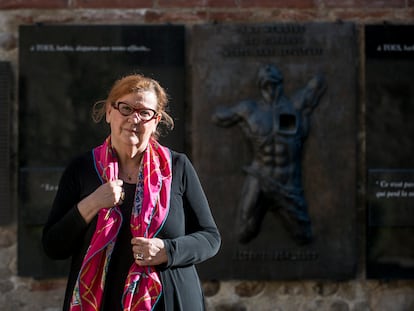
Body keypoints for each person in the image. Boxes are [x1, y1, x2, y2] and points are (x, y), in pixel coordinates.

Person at [42, 74, 221, 311]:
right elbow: (53, 246)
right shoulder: (82, 169)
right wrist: (92, 203)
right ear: (109, 112)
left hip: (170, 301)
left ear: (156, 121)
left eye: (144, 112)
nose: (133, 118)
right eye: (125, 108)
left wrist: (167, 250)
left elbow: (210, 238)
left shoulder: (178, 167)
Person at [212, 64, 325, 245]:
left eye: (274, 84)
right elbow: (218, 116)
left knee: (304, 237)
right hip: (260, 176)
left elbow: (318, 85)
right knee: (243, 233)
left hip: (287, 181)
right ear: (261, 86)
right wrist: (237, 116)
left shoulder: (296, 106)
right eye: (267, 85)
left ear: (280, 84)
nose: (271, 89)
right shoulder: (249, 110)